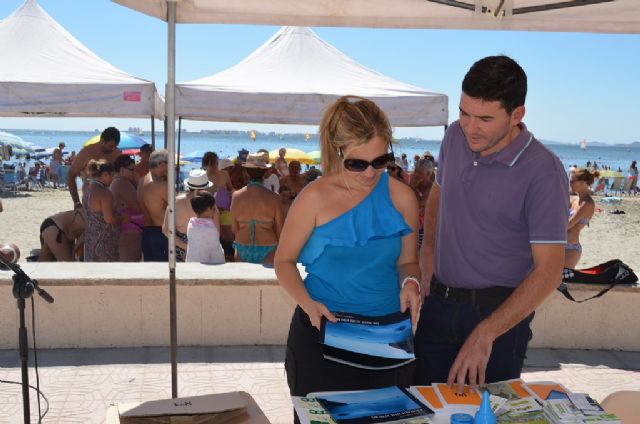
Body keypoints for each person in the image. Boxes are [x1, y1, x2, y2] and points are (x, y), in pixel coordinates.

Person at [415, 56, 569, 393]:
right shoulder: (454, 136)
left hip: (499, 318)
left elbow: (549, 271)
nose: (470, 127)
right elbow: (440, 192)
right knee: (424, 410)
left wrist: (486, 332)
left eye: (485, 118)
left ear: (517, 115)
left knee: (484, 414)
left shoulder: (544, 170)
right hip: (438, 303)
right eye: (464, 113)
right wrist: (427, 254)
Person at [274, 96, 420, 405]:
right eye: (358, 163)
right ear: (337, 151)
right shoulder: (313, 197)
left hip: (387, 340)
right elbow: (283, 261)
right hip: (322, 335)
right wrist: (308, 304)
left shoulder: (402, 197)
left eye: (380, 161)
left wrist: (411, 283)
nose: (370, 173)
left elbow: (408, 262)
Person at [231, 152, 284, 264]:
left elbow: (234, 229)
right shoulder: (274, 198)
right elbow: (280, 231)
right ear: (265, 173)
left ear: (246, 173)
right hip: (268, 247)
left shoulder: (236, 196)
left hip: (242, 246)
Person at [83, 159, 128, 262]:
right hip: (105, 242)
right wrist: (123, 218)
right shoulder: (104, 193)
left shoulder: (88, 189)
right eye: (111, 175)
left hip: (91, 238)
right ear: (104, 174)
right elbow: (109, 219)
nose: (113, 179)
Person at [67, 127, 121, 210]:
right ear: (102, 141)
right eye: (110, 146)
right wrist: (76, 202)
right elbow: (70, 175)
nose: (112, 149)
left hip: (112, 199)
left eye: (115, 146)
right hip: (92, 201)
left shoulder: (116, 152)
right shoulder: (86, 153)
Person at [163, 169, 211, 262]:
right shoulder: (210, 204)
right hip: (204, 245)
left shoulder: (175, 202)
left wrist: (185, 247)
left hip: (180, 246)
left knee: (181, 275)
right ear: (205, 186)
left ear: (189, 186)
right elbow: (216, 231)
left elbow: (166, 229)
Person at [202, 152, 236, 261]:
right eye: (211, 164)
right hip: (208, 212)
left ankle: (229, 259)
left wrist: (229, 198)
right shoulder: (201, 177)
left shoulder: (224, 174)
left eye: (215, 163)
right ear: (205, 165)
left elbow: (232, 190)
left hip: (225, 210)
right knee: (212, 238)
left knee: (228, 238)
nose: (214, 166)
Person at [111, 155, 143, 262]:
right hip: (130, 228)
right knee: (130, 267)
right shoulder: (122, 183)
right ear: (121, 169)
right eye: (132, 169)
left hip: (127, 226)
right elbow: (138, 207)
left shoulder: (115, 181)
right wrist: (139, 183)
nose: (134, 172)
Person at [138, 150, 169, 261]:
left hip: (147, 232)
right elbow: (177, 207)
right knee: (165, 274)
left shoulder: (142, 181)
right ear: (162, 164)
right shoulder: (162, 186)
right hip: (162, 234)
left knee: (152, 273)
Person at [565, 169, 598, 269]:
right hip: (557, 245)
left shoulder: (587, 203)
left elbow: (567, 225)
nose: (569, 184)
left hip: (570, 248)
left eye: (572, 181)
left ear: (582, 183)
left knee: (564, 281)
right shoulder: (574, 199)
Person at [186, 191, 225, 264]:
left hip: (192, 265)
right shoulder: (210, 230)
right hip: (206, 271)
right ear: (210, 209)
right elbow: (216, 253)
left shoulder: (191, 224)